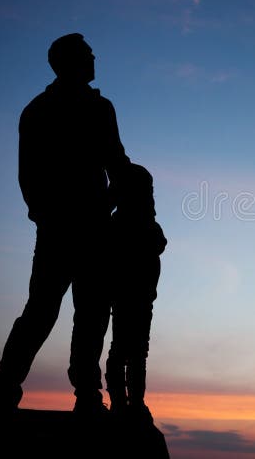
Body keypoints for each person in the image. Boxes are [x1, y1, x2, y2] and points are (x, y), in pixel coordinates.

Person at [0, 33, 130, 414]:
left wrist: (119, 199)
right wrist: (48, 214)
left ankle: (85, 393)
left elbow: (116, 162)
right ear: (68, 61)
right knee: (45, 311)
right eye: (87, 54)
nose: (94, 57)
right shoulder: (43, 110)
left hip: (89, 226)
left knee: (90, 312)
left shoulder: (91, 107)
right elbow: (30, 175)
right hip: (63, 227)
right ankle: (9, 387)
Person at [104, 163, 166, 419]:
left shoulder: (146, 225)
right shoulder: (120, 224)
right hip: (126, 297)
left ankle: (134, 402)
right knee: (123, 350)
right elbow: (158, 244)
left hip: (142, 298)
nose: (150, 196)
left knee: (136, 350)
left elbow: (160, 244)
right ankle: (122, 401)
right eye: (147, 191)